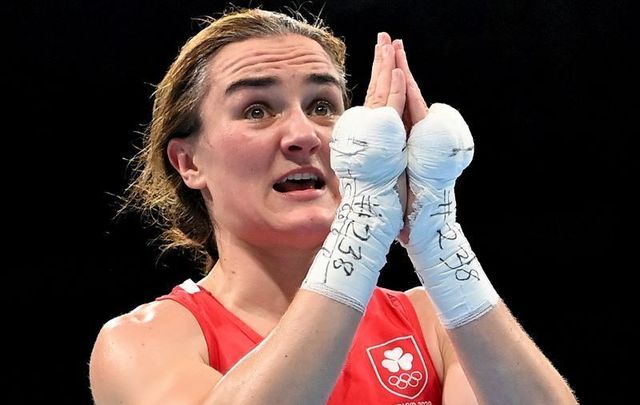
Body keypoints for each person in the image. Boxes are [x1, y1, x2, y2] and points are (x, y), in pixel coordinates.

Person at [89, 7, 577, 404]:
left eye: (323, 106)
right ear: (188, 162)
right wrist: (361, 228)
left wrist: (436, 235)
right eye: (257, 110)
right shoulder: (145, 342)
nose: (303, 135)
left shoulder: (434, 320)